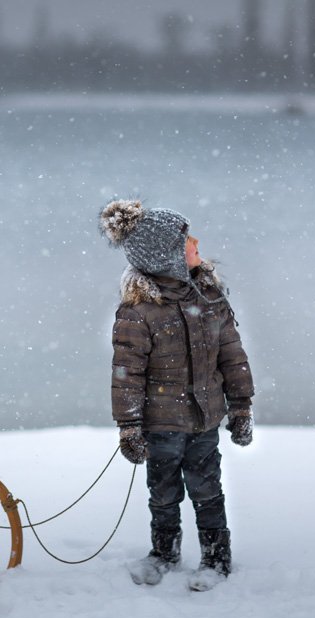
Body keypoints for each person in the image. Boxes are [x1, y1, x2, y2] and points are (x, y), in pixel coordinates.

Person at [99, 199, 254, 591]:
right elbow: (127, 373)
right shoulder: (139, 312)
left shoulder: (210, 297)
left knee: (208, 489)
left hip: (204, 418)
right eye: (187, 240)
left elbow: (232, 355)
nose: (196, 242)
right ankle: (164, 553)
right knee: (163, 492)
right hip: (161, 424)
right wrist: (129, 426)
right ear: (166, 255)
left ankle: (216, 559)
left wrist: (241, 407)